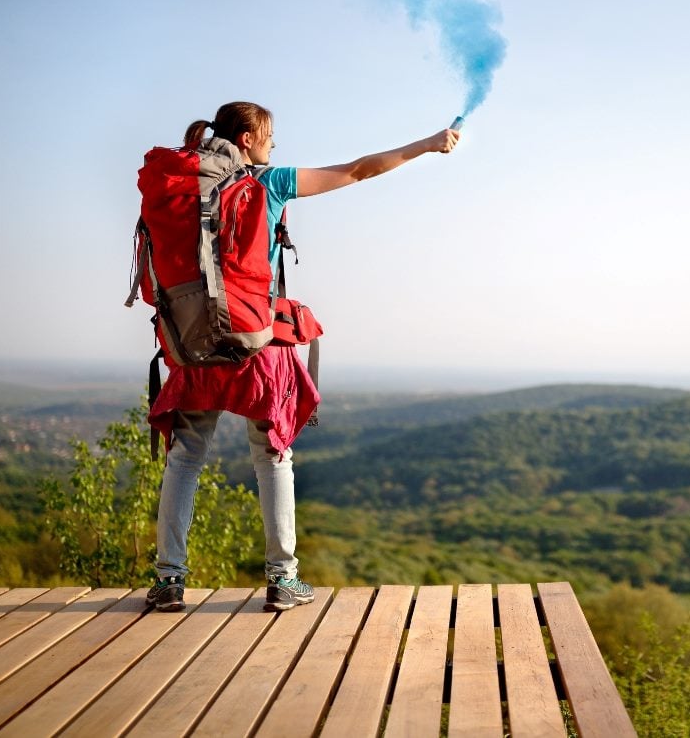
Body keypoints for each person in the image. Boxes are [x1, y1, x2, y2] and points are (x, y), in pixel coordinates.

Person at [145, 101, 459, 613]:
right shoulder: (268, 183)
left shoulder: (179, 186)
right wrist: (426, 145)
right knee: (272, 455)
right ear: (247, 140)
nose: (274, 146)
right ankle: (282, 579)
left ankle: (170, 581)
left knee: (185, 458)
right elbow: (357, 170)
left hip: (193, 346)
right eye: (269, 136)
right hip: (256, 344)